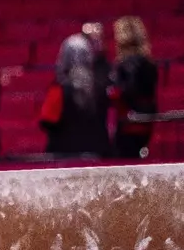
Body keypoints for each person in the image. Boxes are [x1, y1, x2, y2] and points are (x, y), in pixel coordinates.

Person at [39, 33, 110, 157]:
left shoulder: (59, 88)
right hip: (97, 153)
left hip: (65, 155)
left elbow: (47, 121)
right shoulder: (101, 85)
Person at [111, 16, 158, 158]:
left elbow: (128, 91)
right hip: (146, 119)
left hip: (129, 121)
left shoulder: (125, 63)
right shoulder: (150, 63)